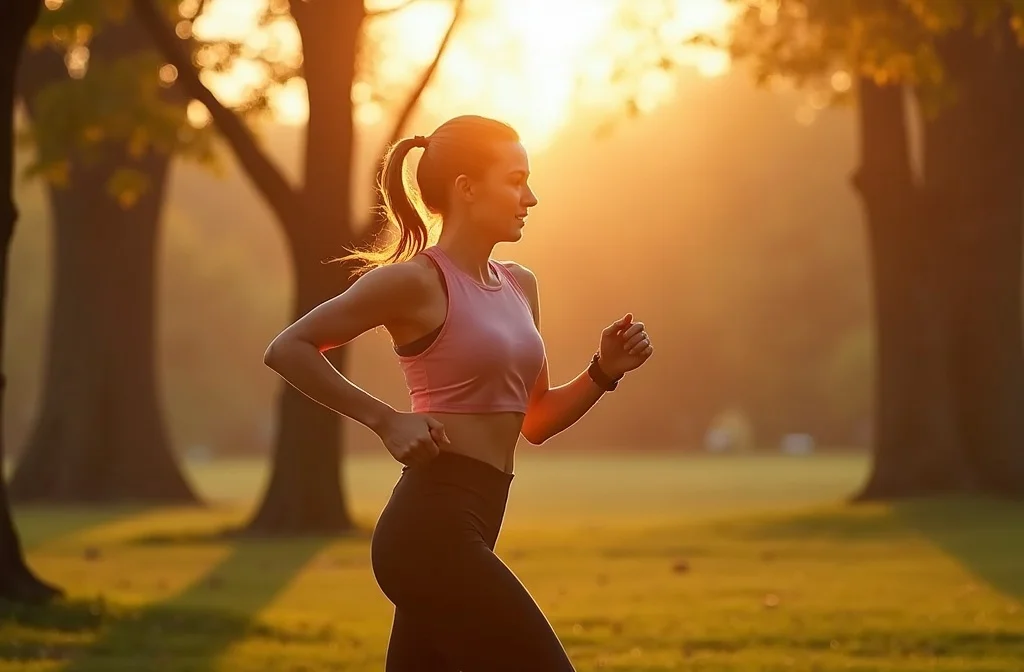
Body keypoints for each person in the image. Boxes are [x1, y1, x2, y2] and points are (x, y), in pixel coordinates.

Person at [263, 114, 654, 671]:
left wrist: (601, 372)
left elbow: (535, 421)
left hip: (478, 514)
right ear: (467, 188)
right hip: (430, 527)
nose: (531, 197)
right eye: (515, 180)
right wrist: (386, 420)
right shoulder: (416, 281)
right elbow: (289, 348)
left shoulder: (520, 285)